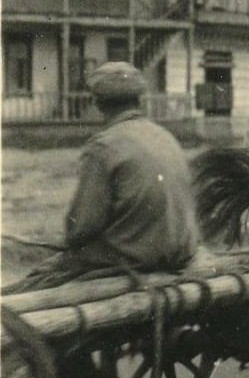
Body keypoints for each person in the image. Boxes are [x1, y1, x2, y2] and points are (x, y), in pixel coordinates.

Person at [4, 62, 200, 295]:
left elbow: (80, 229)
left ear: (98, 103)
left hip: (131, 261)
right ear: (140, 99)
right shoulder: (166, 137)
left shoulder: (104, 146)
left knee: (28, 288)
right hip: (180, 255)